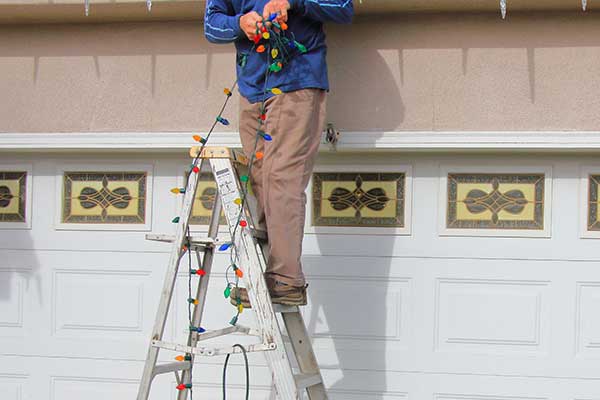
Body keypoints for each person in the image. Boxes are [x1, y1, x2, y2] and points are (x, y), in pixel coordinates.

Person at [204, 0, 353, 307]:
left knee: (281, 176)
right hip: (251, 89)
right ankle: (267, 275)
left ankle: (286, 280)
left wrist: (293, 2)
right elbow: (211, 24)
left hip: (297, 81)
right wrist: (241, 23)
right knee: (259, 180)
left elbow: (343, 6)